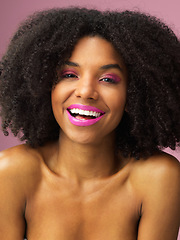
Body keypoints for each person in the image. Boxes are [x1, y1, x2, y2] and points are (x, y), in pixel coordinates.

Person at [0, 7, 179, 240]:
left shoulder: (159, 178)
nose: (85, 92)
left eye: (108, 79)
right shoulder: (11, 173)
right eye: (69, 75)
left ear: (134, 95)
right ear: (45, 85)